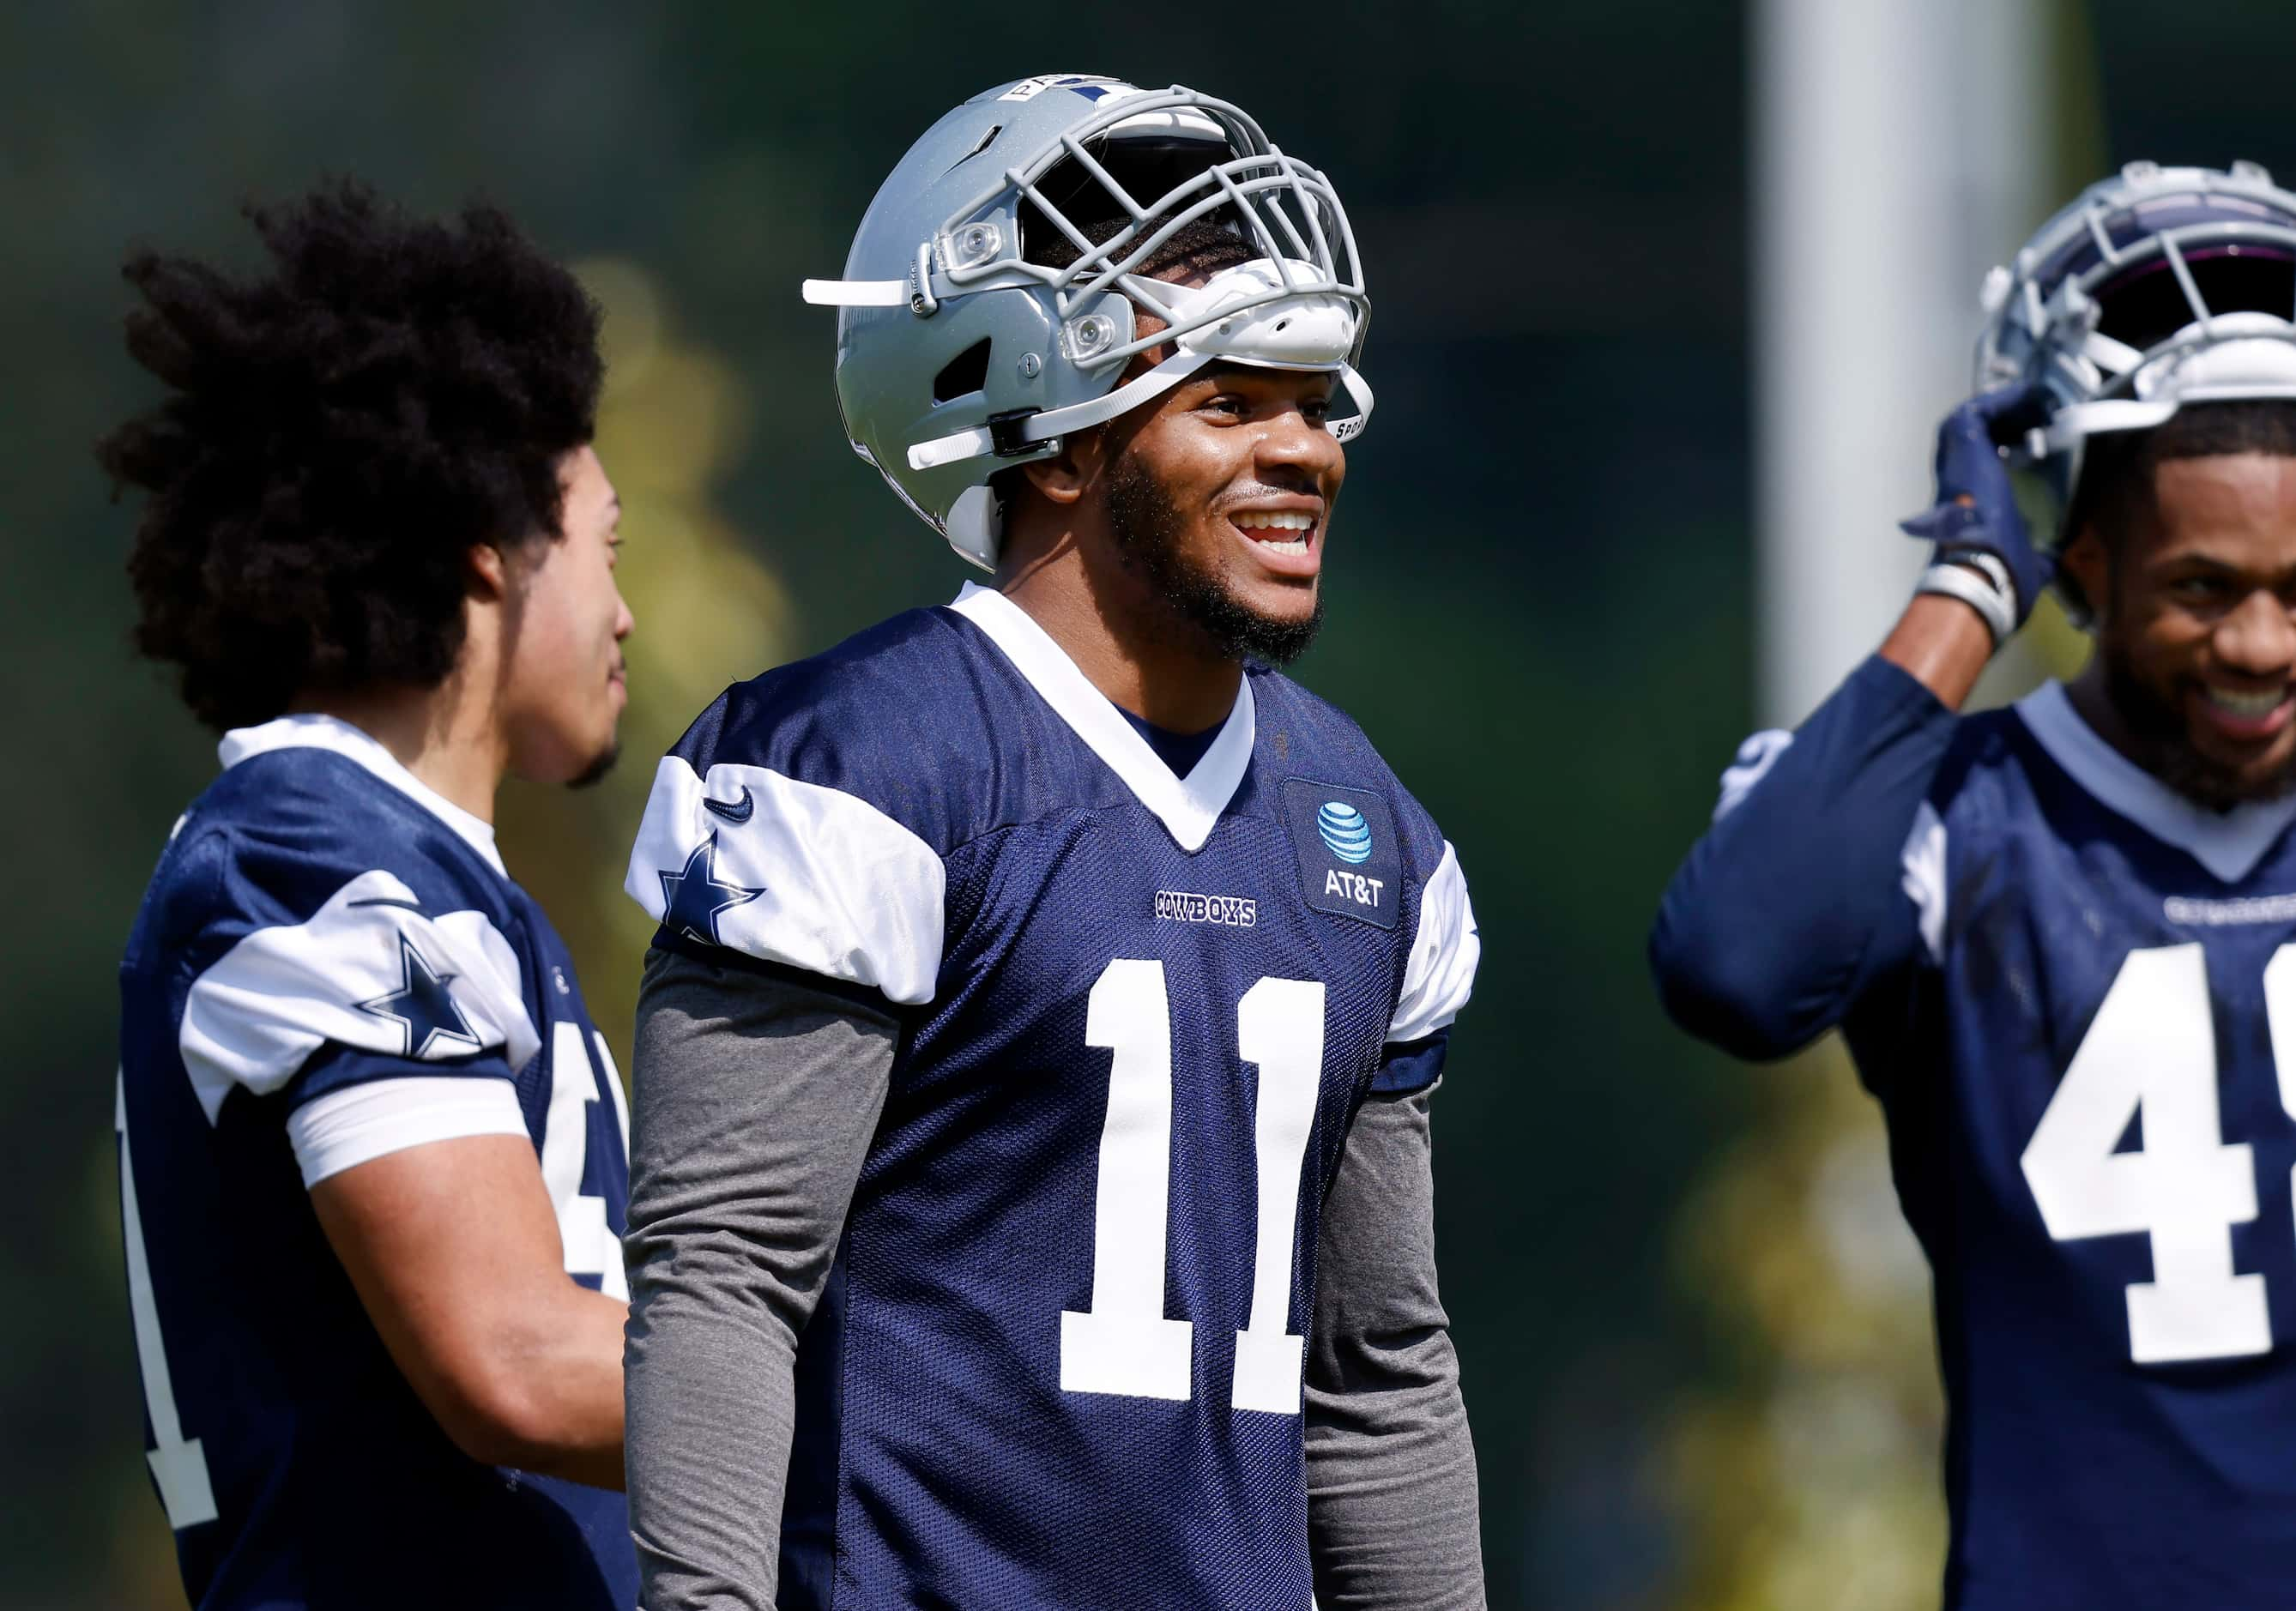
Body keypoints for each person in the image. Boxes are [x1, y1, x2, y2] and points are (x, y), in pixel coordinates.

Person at [619, 76, 1483, 1610]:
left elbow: (1378, 1374)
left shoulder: (1371, 841)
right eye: (1230, 400)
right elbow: (726, 1282)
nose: (1308, 452)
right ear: (1058, 446)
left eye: (1313, 398)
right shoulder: (864, 769)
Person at [1652, 160, 2296, 1608]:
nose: (2260, 644)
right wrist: (1964, 596)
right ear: (2083, 553)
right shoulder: (1953, 811)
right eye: (2204, 585)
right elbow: (1733, 964)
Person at [106, 181, 638, 1609]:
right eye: (607, 545)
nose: (625, 610)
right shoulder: (306, 856)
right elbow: (517, 1359)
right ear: (488, 539)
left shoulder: (419, 873)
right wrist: (934, 1403)